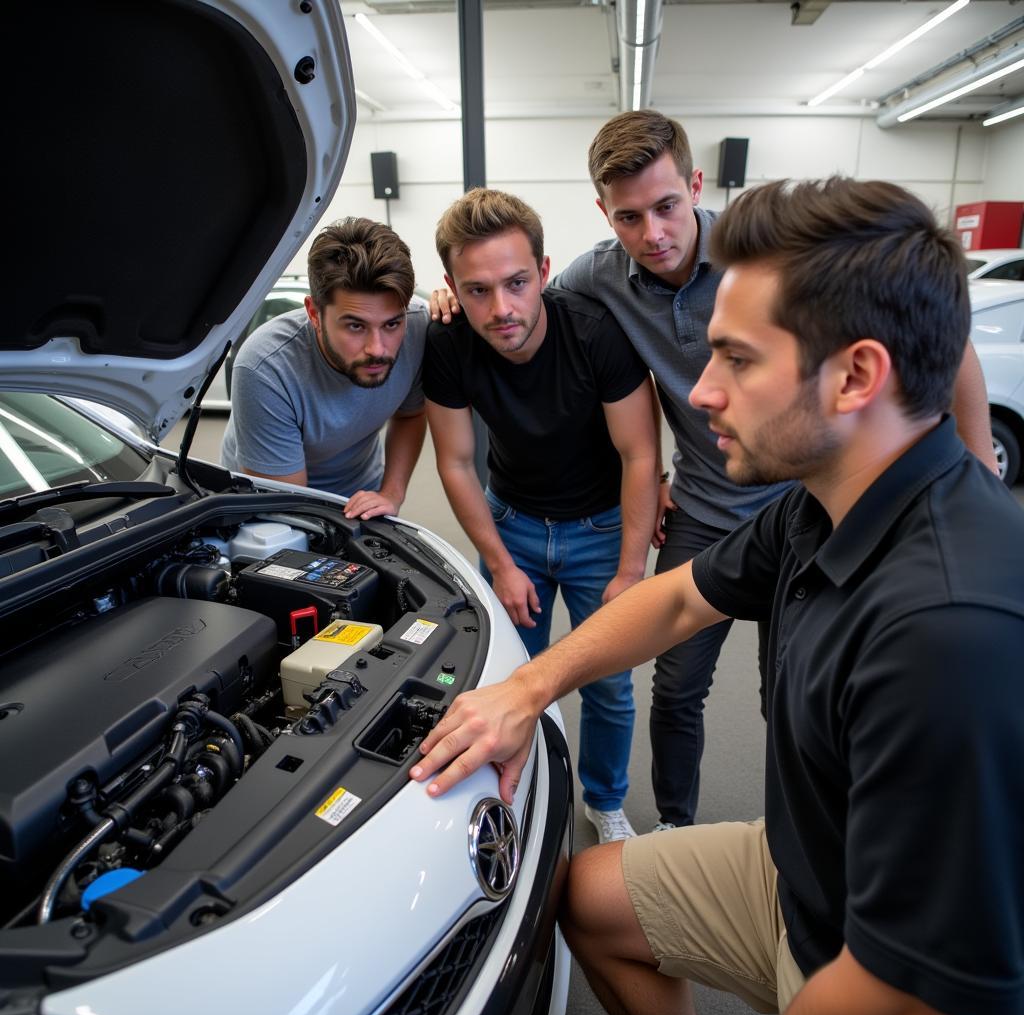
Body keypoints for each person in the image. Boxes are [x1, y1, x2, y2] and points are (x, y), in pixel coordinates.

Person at [412, 177, 1024, 1015]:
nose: (699, 393)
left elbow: (914, 988)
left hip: (875, 962)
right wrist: (525, 689)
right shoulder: (823, 506)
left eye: (737, 358)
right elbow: (675, 603)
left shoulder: (948, 632)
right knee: (584, 897)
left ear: (855, 377)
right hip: (804, 873)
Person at [432, 110, 998, 830]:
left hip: (805, 502)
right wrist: (446, 295)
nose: (654, 234)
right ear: (606, 215)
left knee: (790, 691)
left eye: (668, 207)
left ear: (696, 186)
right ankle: (674, 825)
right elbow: (514, 294)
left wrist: (975, 466)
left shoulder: (764, 262)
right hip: (705, 506)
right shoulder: (596, 277)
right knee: (675, 684)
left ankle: (806, 841)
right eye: (629, 217)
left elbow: (944, 339)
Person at [425, 188, 658, 843]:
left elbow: (640, 454)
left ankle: (604, 802)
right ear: (451, 288)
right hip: (513, 527)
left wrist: (631, 569)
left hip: (601, 532)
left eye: (517, 283)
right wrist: (499, 562)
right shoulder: (445, 344)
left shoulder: (596, 333)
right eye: (476, 291)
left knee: (608, 686)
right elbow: (456, 463)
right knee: (506, 678)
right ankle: (521, 792)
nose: (501, 309)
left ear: (545, 271)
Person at [221, 217, 428, 520]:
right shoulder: (265, 368)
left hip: (362, 493)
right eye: (356, 326)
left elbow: (411, 414)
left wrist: (390, 494)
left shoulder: (418, 327)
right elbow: (290, 507)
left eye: (392, 324)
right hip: (270, 503)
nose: (378, 348)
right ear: (314, 314)